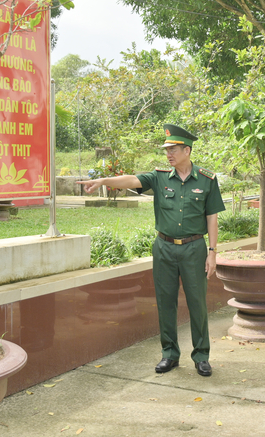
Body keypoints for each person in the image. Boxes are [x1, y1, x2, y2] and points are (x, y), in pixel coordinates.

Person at [77, 124, 225, 377]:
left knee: (197, 303)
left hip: (194, 249)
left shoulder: (207, 180)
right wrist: (103, 180)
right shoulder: (159, 177)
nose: (169, 154)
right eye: (167, 150)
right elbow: (132, 179)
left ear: (187, 151)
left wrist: (212, 252)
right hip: (164, 248)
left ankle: (201, 355)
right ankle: (169, 354)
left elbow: (212, 216)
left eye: (174, 149)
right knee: (165, 302)